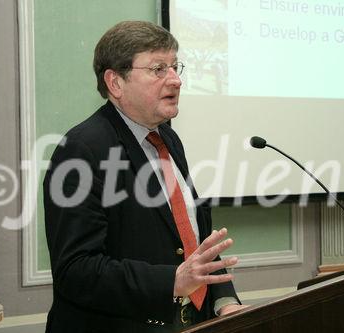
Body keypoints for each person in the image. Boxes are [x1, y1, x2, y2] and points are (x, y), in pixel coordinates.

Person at [43, 21, 245, 333]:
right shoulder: (82, 150)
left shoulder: (167, 138)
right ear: (115, 82)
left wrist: (224, 300)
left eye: (175, 67)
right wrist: (171, 281)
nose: (176, 80)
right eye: (158, 69)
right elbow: (76, 270)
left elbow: (190, 236)